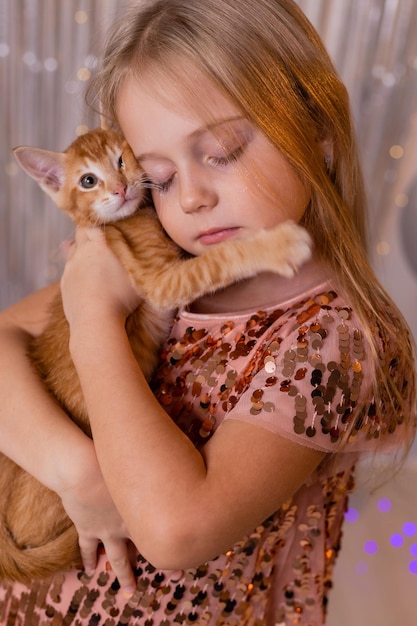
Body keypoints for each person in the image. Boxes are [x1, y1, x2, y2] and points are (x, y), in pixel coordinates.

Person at [0, 0, 415, 624]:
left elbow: (174, 531)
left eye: (222, 151)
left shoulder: (332, 337)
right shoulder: (166, 260)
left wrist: (93, 322)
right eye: (160, 178)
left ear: (319, 130)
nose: (192, 197)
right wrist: (77, 470)